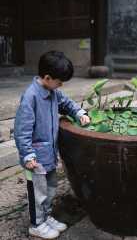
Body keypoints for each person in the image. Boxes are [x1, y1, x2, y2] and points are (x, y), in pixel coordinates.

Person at [14, 51, 90, 239]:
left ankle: (46, 217)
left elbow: (67, 103)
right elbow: (21, 130)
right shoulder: (30, 97)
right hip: (35, 158)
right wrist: (27, 155)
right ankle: (37, 225)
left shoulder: (53, 92)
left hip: (49, 154)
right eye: (59, 81)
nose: (61, 86)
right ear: (47, 78)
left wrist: (79, 113)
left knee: (50, 189)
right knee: (38, 193)